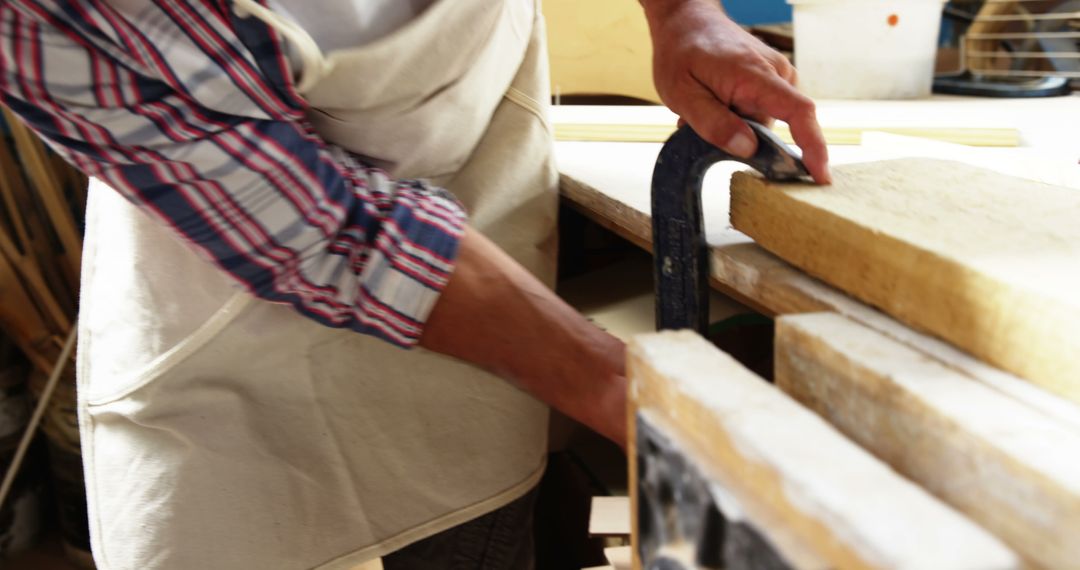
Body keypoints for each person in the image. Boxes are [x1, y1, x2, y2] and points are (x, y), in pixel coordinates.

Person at [0, 0, 829, 568]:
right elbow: (332, 233)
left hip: (482, 227)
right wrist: (627, 390)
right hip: (227, 324)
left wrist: (684, 15)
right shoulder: (47, 23)